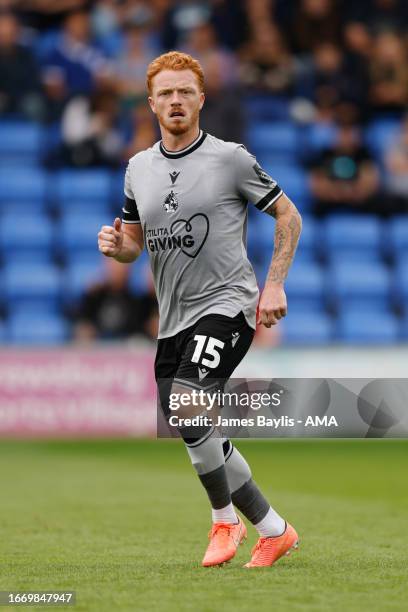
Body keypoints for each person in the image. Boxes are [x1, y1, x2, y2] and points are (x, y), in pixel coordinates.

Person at [97, 51, 302, 569]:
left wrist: (273, 286)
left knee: (189, 403)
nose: (175, 101)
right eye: (165, 93)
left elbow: (288, 214)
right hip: (173, 320)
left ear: (201, 99)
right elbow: (133, 244)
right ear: (150, 104)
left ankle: (223, 522)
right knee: (194, 426)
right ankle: (275, 530)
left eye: (185, 92)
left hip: (228, 305)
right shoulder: (137, 169)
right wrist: (116, 246)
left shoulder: (230, 157)